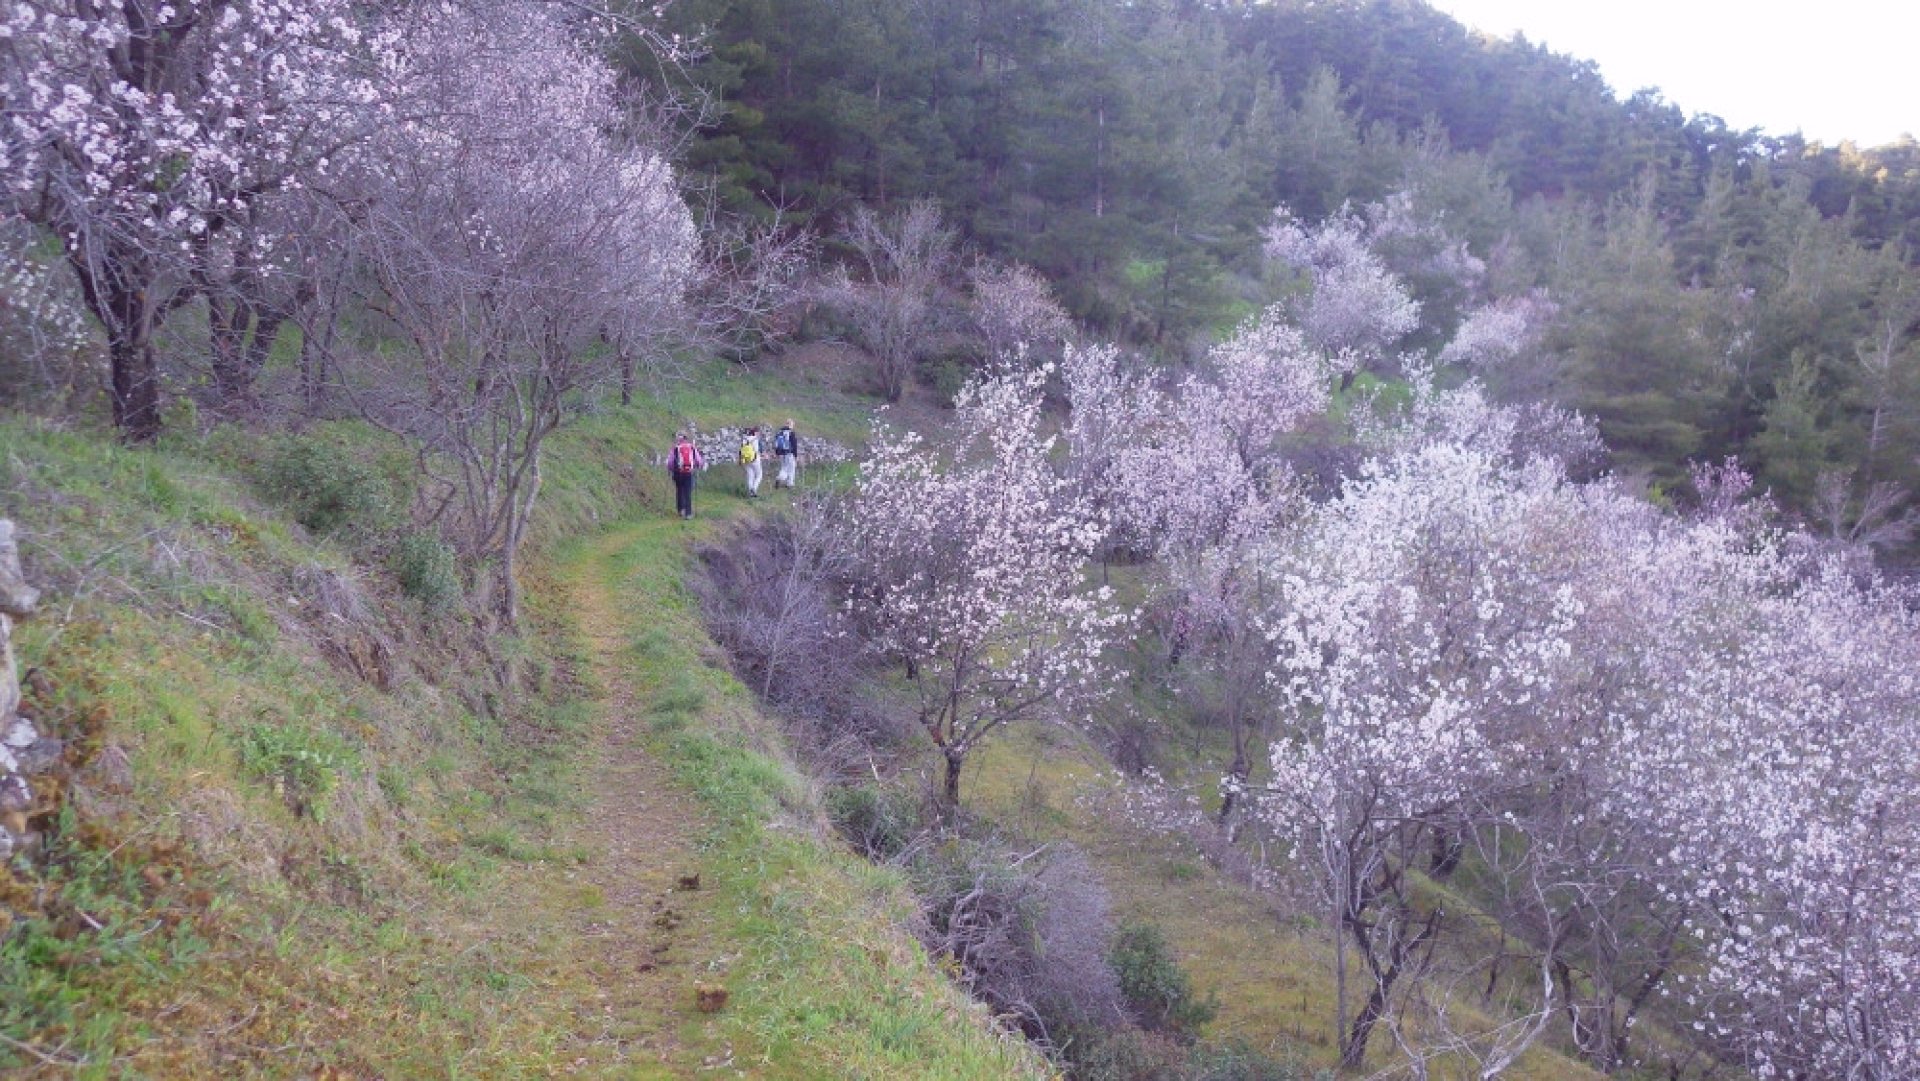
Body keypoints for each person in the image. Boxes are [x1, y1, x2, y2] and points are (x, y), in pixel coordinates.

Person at [668, 431, 704, 519]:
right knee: (687, 492)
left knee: (679, 489)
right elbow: (699, 460)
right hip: (688, 472)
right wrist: (698, 465)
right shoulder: (691, 447)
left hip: (678, 472)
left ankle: (680, 509)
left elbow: (670, 462)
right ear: (686, 438)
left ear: (678, 439)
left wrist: (670, 469)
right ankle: (688, 513)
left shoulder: (675, 448)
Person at [772, 419, 800, 489]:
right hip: (789, 454)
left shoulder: (779, 432)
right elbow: (794, 445)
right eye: (792, 425)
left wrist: (777, 453)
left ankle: (789, 483)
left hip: (781, 454)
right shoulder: (791, 433)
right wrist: (796, 456)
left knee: (784, 467)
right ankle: (781, 479)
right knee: (790, 468)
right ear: (790, 425)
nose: (793, 426)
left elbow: (776, 444)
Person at [739, 426, 764, 498]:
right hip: (755, 460)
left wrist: (740, 460)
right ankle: (754, 489)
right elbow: (757, 450)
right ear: (756, 433)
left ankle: (750, 493)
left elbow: (741, 451)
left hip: (746, 460)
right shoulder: (755, 439)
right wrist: (763, 455)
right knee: (759, 475)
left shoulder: (744, 439)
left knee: (750, 476)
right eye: (758, 433)